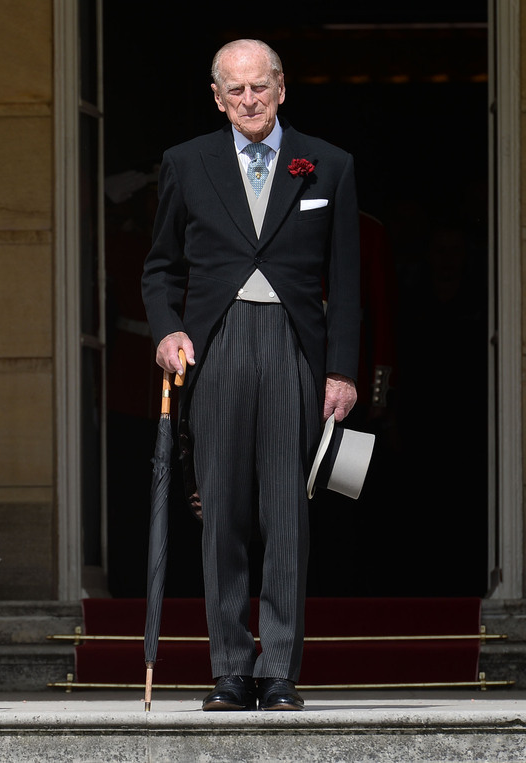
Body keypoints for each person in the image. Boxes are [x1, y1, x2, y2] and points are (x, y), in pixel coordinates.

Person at [141, 40, 360, 712]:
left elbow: (345, 281)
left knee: (287, 510)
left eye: (259, 87)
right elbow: (160, 269)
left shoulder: (329, 164)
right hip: (218, 345)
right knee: (224, 510)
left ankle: (280, 670)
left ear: (282, 88)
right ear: (216, 96)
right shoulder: (187, 163)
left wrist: (341, 370)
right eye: (234, 91)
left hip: (294, 342)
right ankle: (232, 668)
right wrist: (167, 331)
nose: (249, 100)